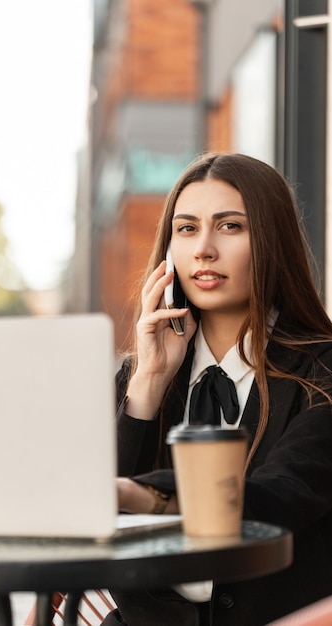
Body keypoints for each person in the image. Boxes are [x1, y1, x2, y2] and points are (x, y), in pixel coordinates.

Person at [101, 153, 332, 626]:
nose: (203, 249)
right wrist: (147, 382)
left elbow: (282, 496)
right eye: (186, 229)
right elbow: (91, 521)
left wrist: (152, 496)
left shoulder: (322, 370)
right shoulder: (138, 376)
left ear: (272, 241)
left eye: (229, 227)